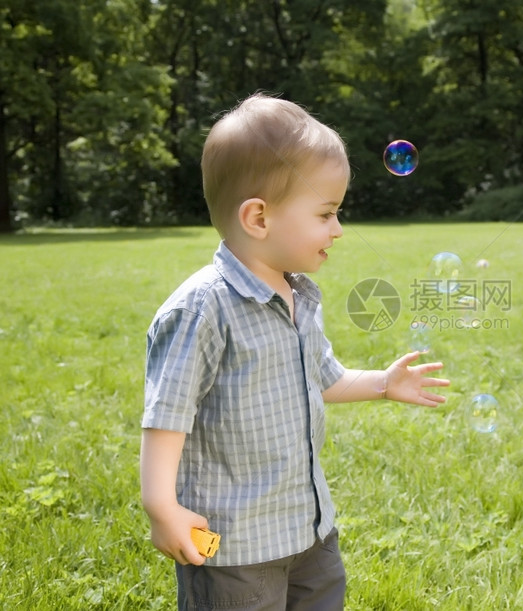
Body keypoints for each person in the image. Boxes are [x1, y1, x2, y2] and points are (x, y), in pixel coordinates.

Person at [140, 93, 449, 610]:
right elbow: (166, 417)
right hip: (236, 544)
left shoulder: (299, 294)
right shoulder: (202, 310)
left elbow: (322, 378)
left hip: (308, 527)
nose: (338, 229)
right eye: (326, 213)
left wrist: (381, 384)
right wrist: (160, 505)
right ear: (258, 219)